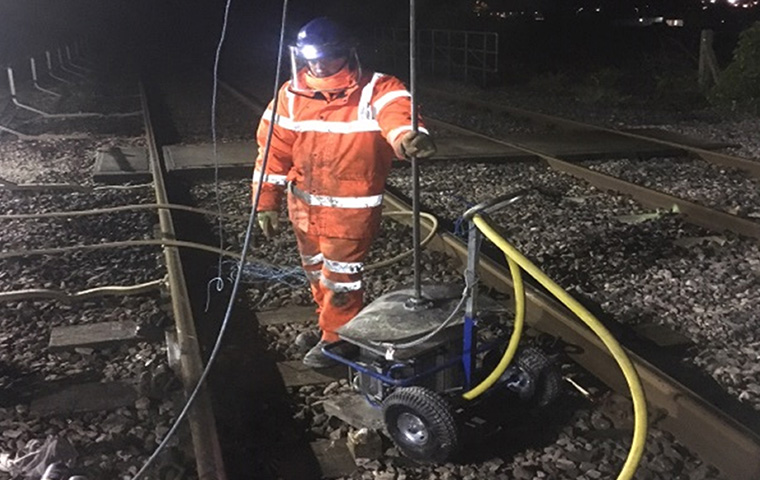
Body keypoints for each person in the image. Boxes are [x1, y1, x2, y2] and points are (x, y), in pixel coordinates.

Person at [253, 17, 437, 368]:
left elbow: (397, 114)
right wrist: (266, 201)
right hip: (304, 210)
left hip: (350, 215)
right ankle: (329, 326)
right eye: (312, 58)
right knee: (316, 272)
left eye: (328, 57)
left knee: (341, 279)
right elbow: (272, 151)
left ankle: (339, 342)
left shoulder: (377, 88)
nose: (320, 65)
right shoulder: (290, 95)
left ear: (347, 52)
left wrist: (407, 137)